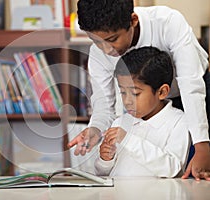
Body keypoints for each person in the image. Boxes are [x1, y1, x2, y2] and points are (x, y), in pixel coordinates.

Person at [67, 0, 210, 180]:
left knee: (200, 165)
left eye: (112, 40)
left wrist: (202, 144)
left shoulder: (167, 22)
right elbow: (104, 104)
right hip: (147, 103)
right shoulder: (98, 54)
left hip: (196, 91)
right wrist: (95, 128)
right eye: (95, 41)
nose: (105, 49)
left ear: (133, 20)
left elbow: (191, 85)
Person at [95, 46, 190, 177]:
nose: (127, 101)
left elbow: (173, 168)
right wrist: (105, 160)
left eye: (135, 93)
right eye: (123, 92)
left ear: (161, 92)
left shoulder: (179, 122)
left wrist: (128, 139)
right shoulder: (120, 122)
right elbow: (103, 173)